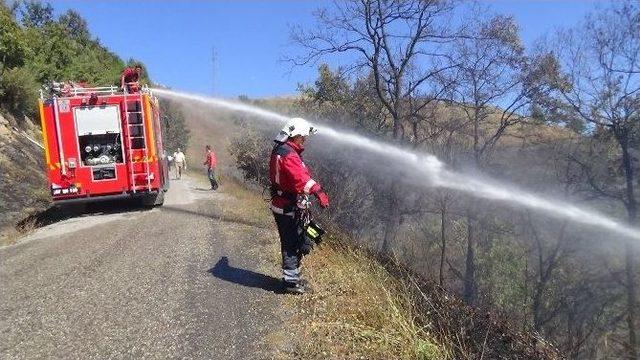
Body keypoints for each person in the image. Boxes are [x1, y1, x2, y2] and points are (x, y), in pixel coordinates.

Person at [269, 117, 329, 294]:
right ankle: (290, 283)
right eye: (303, 137)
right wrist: (318, 191)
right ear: (295, 136)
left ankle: (292, 278)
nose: (305, 140)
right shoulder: (288, 154)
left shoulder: (282, 150)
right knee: (291, 243)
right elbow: (300, 178)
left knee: (300, 239)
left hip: (285, 204)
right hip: (287, 206)